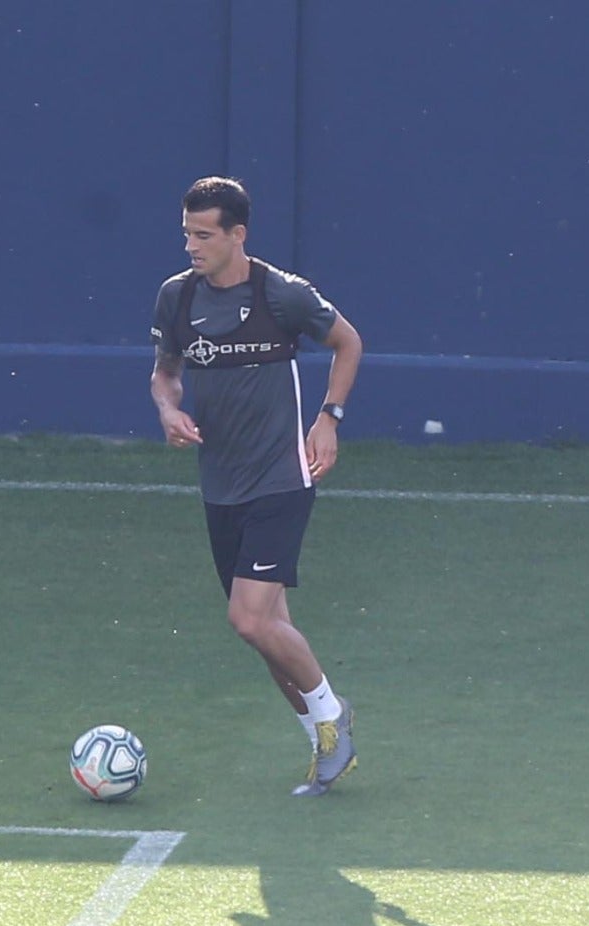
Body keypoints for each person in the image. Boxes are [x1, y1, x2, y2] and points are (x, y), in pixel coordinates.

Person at [148, 176, 363, 797]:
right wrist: (167, 410)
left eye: (204, 235)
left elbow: (349, 342)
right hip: (221, 485)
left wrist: (330, 418)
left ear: (237, 235)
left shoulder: (281, 295)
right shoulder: (177, 299)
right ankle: (321, 743)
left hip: (280, 478)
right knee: (270, 635)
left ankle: (332, 716)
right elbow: (164, 374)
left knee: (247, 619)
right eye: (187, 233)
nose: (192, 245)